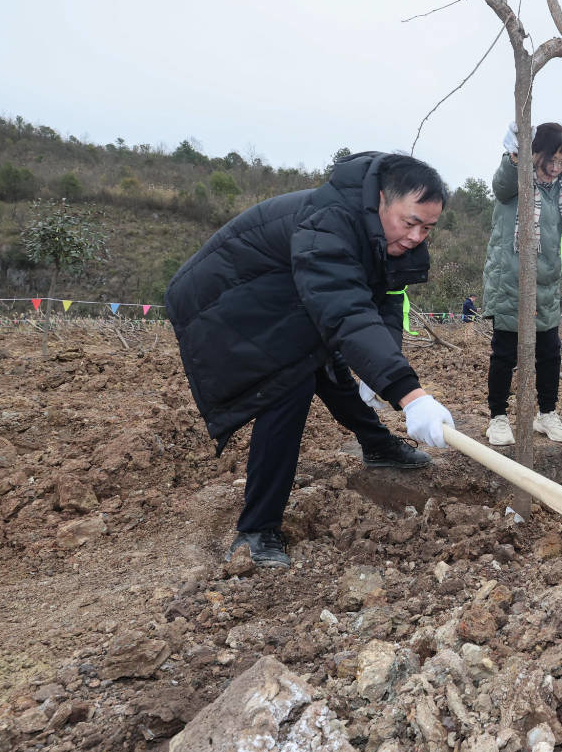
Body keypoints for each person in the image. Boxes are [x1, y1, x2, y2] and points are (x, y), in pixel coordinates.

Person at [166, 152, 456, 567]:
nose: (416, 237)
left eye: (427, 228)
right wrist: (409, 394)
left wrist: (381, 371)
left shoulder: (387, 239)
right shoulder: (329, 223)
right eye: (410, 223)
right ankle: (255, 531)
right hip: (227, 303)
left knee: (325, 360)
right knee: (288, 383)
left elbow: (385, 304)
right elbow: (346, 311)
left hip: (287, 297)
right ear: (379, 199)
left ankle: (376, 444)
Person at [483, 121, 562, 446]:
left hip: (545, 284)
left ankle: (546, 413)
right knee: (504, 353)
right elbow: (500, 185)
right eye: (552, 159)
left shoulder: (560, 189)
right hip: (511, 281)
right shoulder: (517, 181)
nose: (557, 168)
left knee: (550, 352)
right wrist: (515, 156)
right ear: (536, 153)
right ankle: (498, 418)